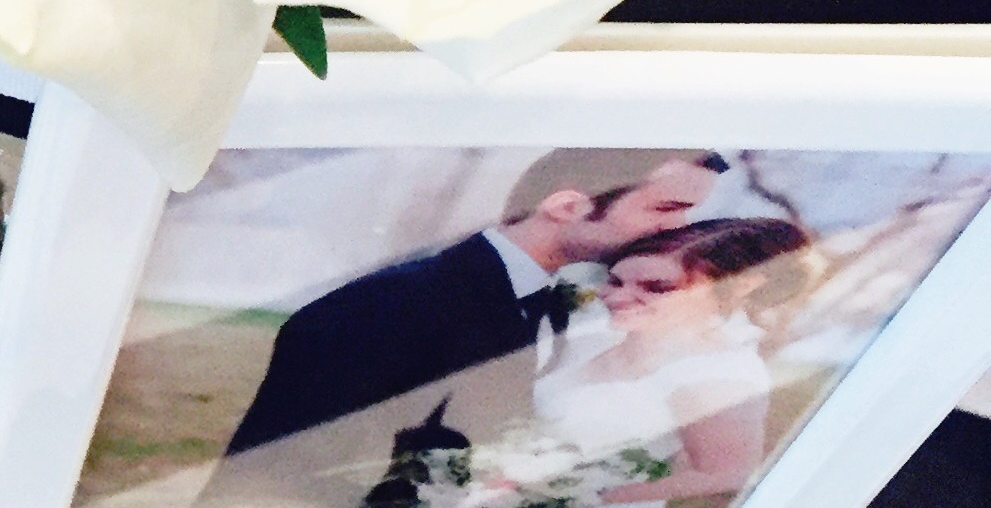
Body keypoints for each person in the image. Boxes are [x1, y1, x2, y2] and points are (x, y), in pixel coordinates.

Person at [225, 150, 730, 461]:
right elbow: (295, 462)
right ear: (566, 205)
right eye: (667, 209)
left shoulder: (551, 304)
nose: (678, 230)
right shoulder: (395, 303)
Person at [448, 214, 811, 508]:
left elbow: (725, 473)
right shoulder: (595, 334)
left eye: (657, 287)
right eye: (617, 281)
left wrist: (557, 496)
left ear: (741, 286)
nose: (620, 298)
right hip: (490, 500)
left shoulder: (718, 372)